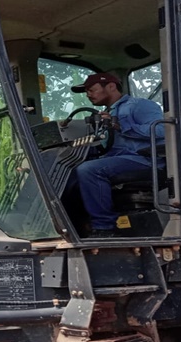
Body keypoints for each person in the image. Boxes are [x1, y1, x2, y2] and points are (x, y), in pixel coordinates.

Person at [69, 72, 165, 237]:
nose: (88, 95)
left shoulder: (139, 105)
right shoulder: (105, 114)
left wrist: (121, 125)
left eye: (92, 89)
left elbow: (161, 129)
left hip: (146, 160)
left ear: (111, 86)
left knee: (90, 170)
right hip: (118, 160)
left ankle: (104, 228)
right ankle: (76, 227)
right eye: (87, 92)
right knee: (69, 172)